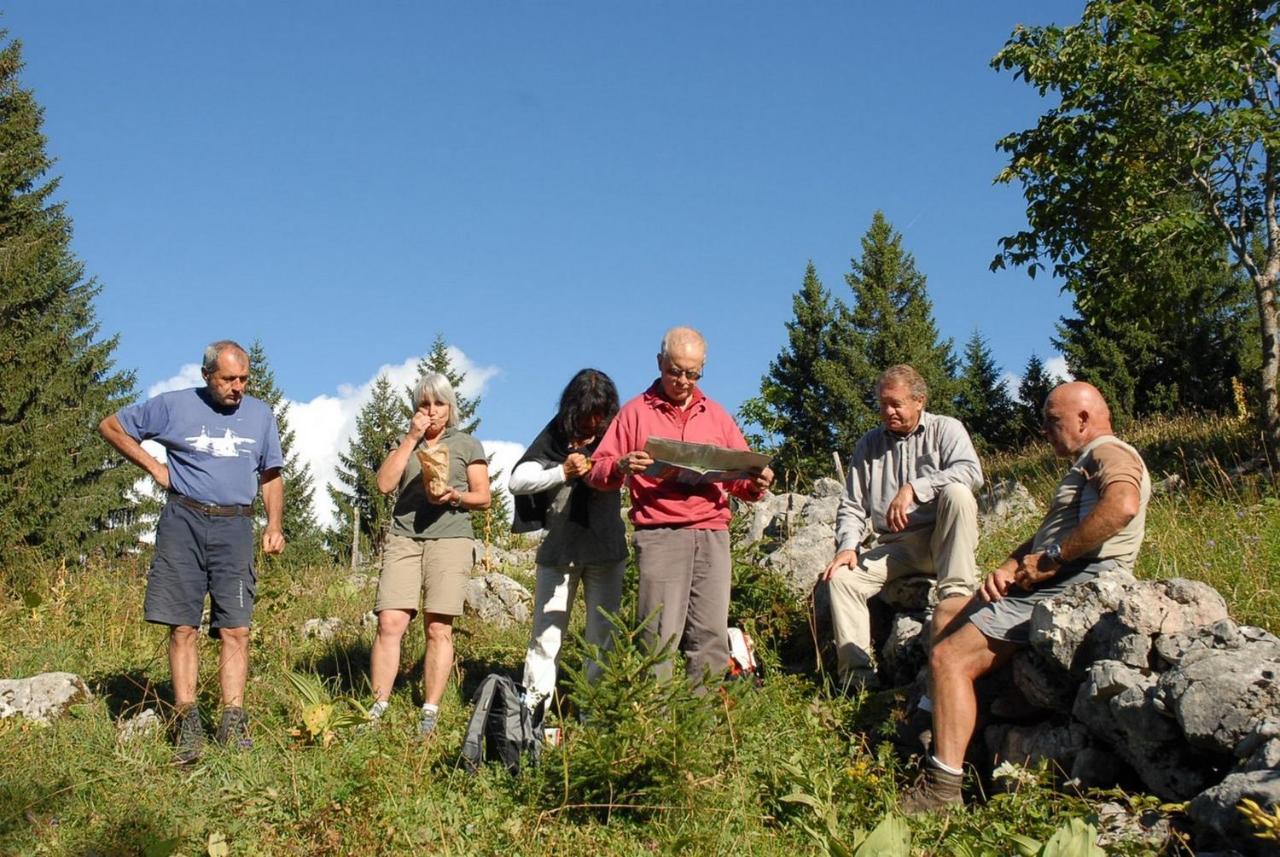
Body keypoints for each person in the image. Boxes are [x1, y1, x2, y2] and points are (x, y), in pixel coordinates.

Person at [900, 381, 1150, 813]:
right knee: (946, 612)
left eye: (1053, 422)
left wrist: (1052, 559)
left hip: (1078, 582)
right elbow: (1047, 536)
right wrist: (1011, 566)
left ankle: (942, 790)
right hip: (1054, 577)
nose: (1046, 433)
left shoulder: (1110, 452)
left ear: (1084, 418)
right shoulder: (1084, 462)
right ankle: (929, 727)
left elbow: (1123, 504)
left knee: (951, 658)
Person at [98, 339, 285, 763]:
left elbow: (272, 474)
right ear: (207, 376)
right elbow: (111, 426)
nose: (238, 387)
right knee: (183, 626)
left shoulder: (260, 415)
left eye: (243, 379)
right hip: (184, 520)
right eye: (228, 379)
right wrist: (155, 467)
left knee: (236, 628)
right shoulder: (174, 406)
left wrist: (274, 525)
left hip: (237, 525)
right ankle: (187, 722)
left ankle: (233, 720)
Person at [586, 327, 774, 686]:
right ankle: (653, 729)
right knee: (657, 638)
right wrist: (621, 465)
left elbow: (739, 477)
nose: (683, 381)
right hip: (660, 534)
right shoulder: (635, 413)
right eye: (675, 371)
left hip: (712, 534)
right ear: (659, 363)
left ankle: (698, 730)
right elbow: (597, 470)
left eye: (692, 373)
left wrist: (755, 482)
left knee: (710, 637)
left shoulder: (716, 415)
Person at [821, 365, 983, 690]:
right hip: (900, 547)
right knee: (841, 580)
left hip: (946, 538)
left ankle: (956, 595)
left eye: (895, 403)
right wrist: (848, 547)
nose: (888, 411)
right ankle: (858, 679)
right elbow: (853, 506)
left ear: (919, 400)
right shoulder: (869, 444)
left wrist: (916, 488)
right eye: (882, 404)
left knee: (958, 492)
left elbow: (971, 472)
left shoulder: (946, 429)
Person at [368, 372, 490, 737]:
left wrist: (454, 496)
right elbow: (384, 484)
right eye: (425, 404)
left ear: (450, 408)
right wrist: (410, 438)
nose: (432, 411)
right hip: (405, 538)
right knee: (390, 622)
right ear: (416, 408)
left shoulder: (467, 444)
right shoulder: (407, 442)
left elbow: (482, 497)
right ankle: (377, 707)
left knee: (438, 627)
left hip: (450, 538)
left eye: (439, 404)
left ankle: (429, 710)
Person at [510, 369, 626, 715]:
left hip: (606, 551)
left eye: (600, 414)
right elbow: (517, 480)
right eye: (588, 414)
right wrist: (562, 472)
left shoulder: (616, 432)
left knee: (603, 638)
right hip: (559, 552)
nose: (593, 423)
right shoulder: (557, 432)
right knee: (545, 637)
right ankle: (533, 716)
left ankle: (594, 716)